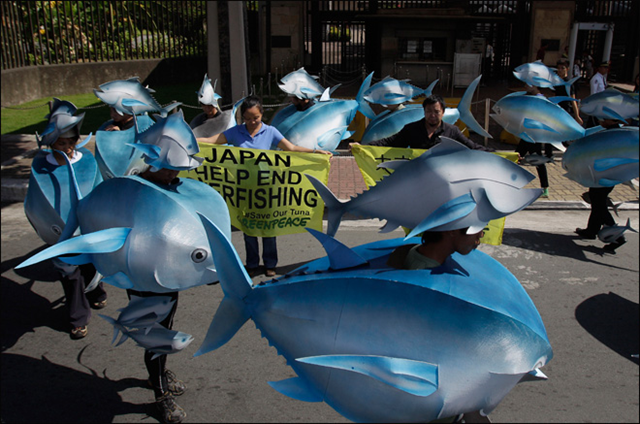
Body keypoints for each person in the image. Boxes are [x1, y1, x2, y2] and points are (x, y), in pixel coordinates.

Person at [197, 95, 332, 277]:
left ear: (262, 115)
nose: (252, 122)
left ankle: (270, 263)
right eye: (247, 118)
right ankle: (252, 263)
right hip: (244, 188)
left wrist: (316, 152)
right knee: (248, 228)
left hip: (266, 188)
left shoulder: (271, 131)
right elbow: (212, 141)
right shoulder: (235, 132)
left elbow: (291, 149)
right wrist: (190, 139)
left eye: (256, 118)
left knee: (268, 227)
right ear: (242, 118)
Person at [28, 101, 108, 339]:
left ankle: (96, 293)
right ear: (51, 143)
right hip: (61, 233)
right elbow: (35, 202)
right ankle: (77, 317)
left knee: (90, 265)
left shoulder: (86, 159)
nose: (68, 147)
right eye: (62, 143)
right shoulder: (40, 166)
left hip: (87, 229)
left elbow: (98, 191)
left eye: (71, 142)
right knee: (70, 274)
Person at [353, 94, 493, 151]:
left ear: (442, 113)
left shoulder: (452, 131)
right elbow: (390, 141)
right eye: (428, 111)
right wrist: (362, 146)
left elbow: (471, 147)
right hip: (418, 177)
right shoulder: (411, 129)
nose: (432, 115)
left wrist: (500, 154)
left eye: (436, 111)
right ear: (424, 111)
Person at [575, 118, 627, 252]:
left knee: (599, 203)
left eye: (603, 119)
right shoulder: (617, 133)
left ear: (612, 120)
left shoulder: (610, 135)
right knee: (597, 199)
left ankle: (617, 236)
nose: (601, 121)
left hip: (605, 174)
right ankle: (591, 230)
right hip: (609, 174)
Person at [554, 60, 583, 126]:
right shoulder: (557, 82)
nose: (560, 70)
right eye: (558, 68)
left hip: (565, 111)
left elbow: (573, 100)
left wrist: (577, 116)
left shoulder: (569, 83)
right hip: (556, 110)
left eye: (562, 68)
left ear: (567, 69)